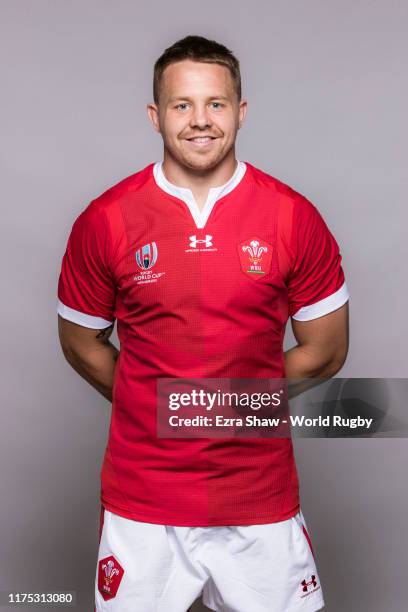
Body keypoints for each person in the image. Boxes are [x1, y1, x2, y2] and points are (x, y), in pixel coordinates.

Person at [57, 35, 349, 612]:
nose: (200, 121)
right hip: (143, 503)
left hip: (258, 498)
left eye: (215, 104)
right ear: (155, 115)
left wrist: (228, 403)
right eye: (181, 105)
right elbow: (81, 341)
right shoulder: (106, 220)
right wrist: (155, 403)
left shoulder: (293, 217)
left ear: (240, 112)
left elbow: (325, 351)